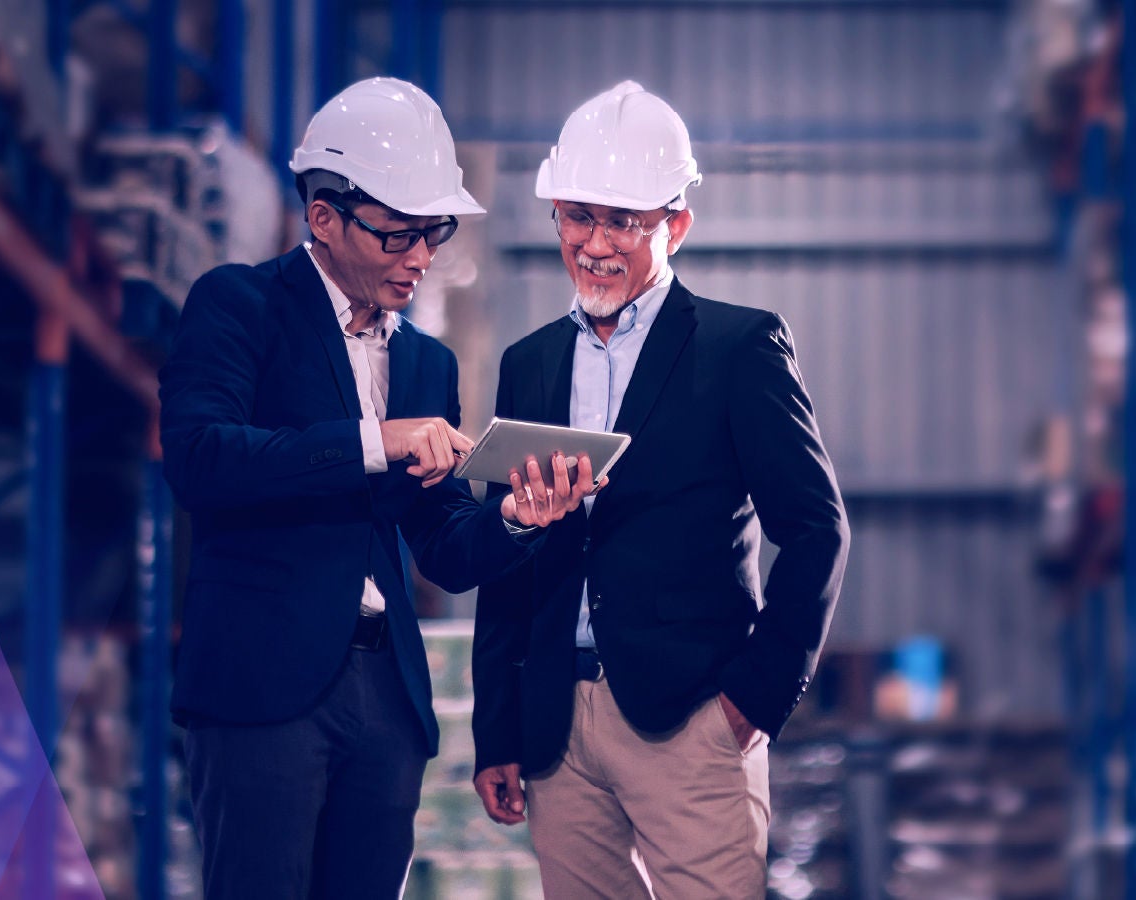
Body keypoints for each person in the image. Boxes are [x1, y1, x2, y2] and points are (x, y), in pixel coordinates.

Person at [159, 76, 600, 899]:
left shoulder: (426, 363)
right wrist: (373, 441)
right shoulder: (239, 306)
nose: (421, 258)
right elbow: (200, 459)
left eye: (431, 234)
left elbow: (441, 542)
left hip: (383, 701)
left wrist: (513, 518)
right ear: (322, 218)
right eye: (398, 236)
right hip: (265, 688)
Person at [470, 81, 851, 899]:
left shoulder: (738, 348)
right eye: (577, 216)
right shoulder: (529, 364)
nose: (595, 243)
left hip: (691, 720)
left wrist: (753, 700)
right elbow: (510, 558)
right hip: (554, 730)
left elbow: (817, 530)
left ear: (675, 224)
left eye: (623, 220)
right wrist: (496, 726)